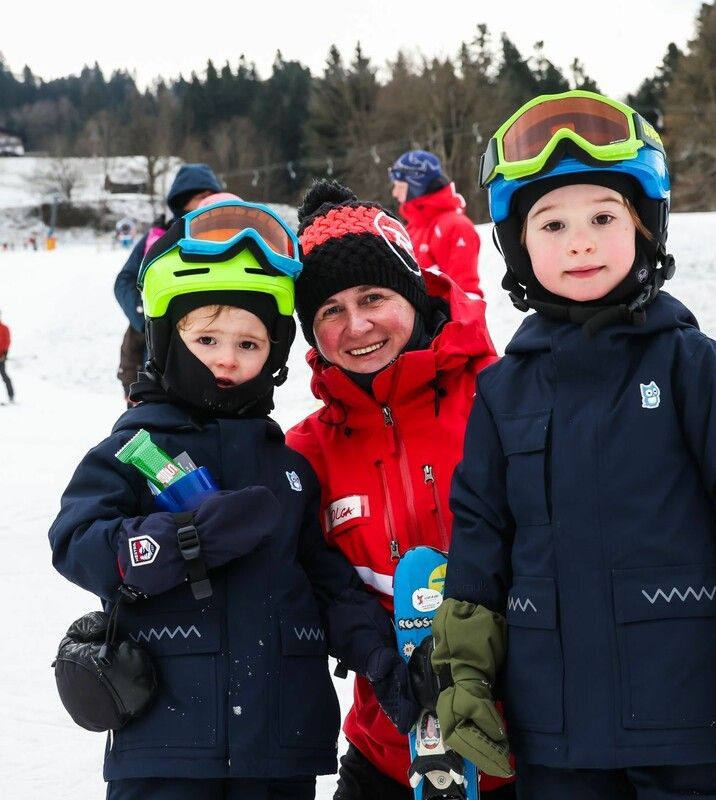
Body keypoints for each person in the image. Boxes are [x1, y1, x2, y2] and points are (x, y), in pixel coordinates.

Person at [434, 90, 716, 800]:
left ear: (645, 228)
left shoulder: (694, 368)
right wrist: (463, 674)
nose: (580, 241)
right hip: (555, 740)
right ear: (519, 246)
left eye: (603, 217)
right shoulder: (503, 393)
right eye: (552, 223)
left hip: (693, 728)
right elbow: (480, 535)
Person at [50, 199, 402, 800]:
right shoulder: (135, 449)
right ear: (168, 339)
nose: (226, 358)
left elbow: (327, 582)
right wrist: (184, 541)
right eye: (206, 338)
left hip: (279, 751)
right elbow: (76, 542)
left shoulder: (290, 470)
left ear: (275, 355)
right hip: (167, 744)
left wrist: (379, 656)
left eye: (250, 344)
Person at [285, 180, 512, 800]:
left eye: (373, 297)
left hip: (524, 749)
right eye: (330, 311)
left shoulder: (501, 398)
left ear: (412, 291)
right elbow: (307, 586)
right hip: (388, 753)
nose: (356, 325)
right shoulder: (306, 452)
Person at [113, 164, 225, 398]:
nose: (208, 201)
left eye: (212, 195)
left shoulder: (227, 234)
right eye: (201, 196)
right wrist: (145, 317)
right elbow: (124, 280)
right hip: (160, 351)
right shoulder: (158, 237)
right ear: (182, 200)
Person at [389, 150, 483, 300]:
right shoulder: (412, 228)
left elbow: (465, 295)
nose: (394, 193)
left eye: (399, 186)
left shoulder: (456, 226)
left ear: (416, 186)